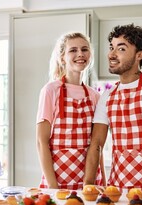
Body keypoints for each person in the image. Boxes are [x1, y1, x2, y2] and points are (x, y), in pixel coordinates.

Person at [84, 24, 142, 195]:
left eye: (121, 49)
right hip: (119, 188)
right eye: (112, 48)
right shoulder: (107, 95)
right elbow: (96, 144)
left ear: (139, 55)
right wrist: (88, 185)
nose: (112, 54)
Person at [36, 32, 105, 190]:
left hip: (90, 182)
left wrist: (104, 183)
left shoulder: (95, 96)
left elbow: (97, 145)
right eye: (73, 50)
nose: (80, 54)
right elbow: (41, 142)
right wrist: (53, 187)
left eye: (84, 49)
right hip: (58, 179)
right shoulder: (50, 91)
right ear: (62, 58)